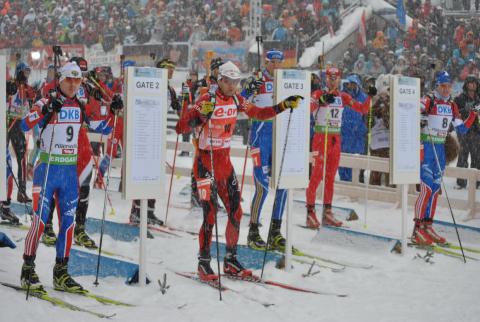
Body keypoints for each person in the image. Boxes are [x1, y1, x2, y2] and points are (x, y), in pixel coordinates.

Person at [175, 61, 302, 281]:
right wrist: (198, 117)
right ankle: (203, 263)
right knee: (211, 214)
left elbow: (259, 113)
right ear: (220, 80)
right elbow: (180, 127)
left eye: (237, 82)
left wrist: (283, 105)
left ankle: (231, 260)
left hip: (224, 163)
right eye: (230, 82)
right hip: (206, 163)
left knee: (236, 211)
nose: (234, 86)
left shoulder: (237, 99)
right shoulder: (207, 99)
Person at [20, 62, 119, 293]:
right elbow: (25, 123)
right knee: (40, 220)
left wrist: (114, 111)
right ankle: (28, 268)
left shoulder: (81, 106)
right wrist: (45, 110)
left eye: (77, 81)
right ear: (60, 80)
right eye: (69, 80)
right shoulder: (47, 101)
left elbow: (102, 128)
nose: (73, 84)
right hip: (47, 170)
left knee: (68, 224)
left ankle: (61, 272)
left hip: (68, 173)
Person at [306, 67, 375, 228]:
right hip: (320, 137)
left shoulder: (342, 96)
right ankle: (310, 212)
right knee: (316, 176)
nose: (333, 80)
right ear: (325, 79)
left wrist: (370, 96)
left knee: (330, 177)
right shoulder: (318, 94)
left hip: (336, 139)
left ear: (339, 79)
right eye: (330, 77)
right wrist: (320, 102)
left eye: (335, 78)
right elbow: (307, 108)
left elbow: (362, 109)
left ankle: (327, 212)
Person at [413, 71, 477, 245]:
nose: (447, 89)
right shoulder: (429, 99)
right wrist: (420, 117)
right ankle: (416, 228)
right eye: (443, 86)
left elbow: (461, 129)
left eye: (449, 86)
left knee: (435, 190)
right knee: (425, 189)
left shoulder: (452, 105)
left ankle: (428, 225)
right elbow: (412, 110)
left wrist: (473, 115)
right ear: (437, 86)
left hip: (440, 148)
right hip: (427, 146)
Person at [240, 49, 288, 251]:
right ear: (266, 62)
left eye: (279, 62)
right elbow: (240, 102)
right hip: (261, 138)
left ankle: (275, 231)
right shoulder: (258, 80)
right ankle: (253, 230)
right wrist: (249, 89)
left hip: (280, 138)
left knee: (284, 184)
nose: (276, 65)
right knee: (262, 186)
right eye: (272, 62)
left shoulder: (285, 83)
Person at [129, 58, 180, 227]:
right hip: (144, 132)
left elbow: (179, 111)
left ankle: (149, 212)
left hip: (158, 134)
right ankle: (136, 211)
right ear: (160, 69)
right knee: (142, 172)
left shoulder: (170, 89)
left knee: (154, 175)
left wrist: (182, 102)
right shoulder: (149, 82)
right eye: (168, 68)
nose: (171, 71)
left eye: (173, 68)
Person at [7, 62, 35, 203]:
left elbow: (32, 95)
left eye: (28, 72)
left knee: (22, 156)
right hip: (8, 121)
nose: (26, 75)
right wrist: (16, 85)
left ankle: (22, 192)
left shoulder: (27, 88)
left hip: (18, 123)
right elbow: (10, 92)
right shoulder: (11, 85)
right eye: (24, 72)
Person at [338, 74, 368, 182]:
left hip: (357, 136)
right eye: (350, 83)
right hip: (344, 133)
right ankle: (344, 181)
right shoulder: (341, 96)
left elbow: (367, 115)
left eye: (354, 83)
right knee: (342, 159)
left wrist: (362, 129)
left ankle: (354, 183)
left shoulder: (363, 97)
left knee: (355, 161)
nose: (351, 86)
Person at [454, 76, 480, 189]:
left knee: (477, 157)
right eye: (470, 82)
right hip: (463, 131)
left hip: (477, 131)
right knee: (463, 156)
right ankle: (461, 182)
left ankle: (477, 182)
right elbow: (454, 113)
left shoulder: (479, 98)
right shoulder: (459, 98)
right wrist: (465, 110)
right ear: (466, 84)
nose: (473, 85)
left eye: (475, 83)